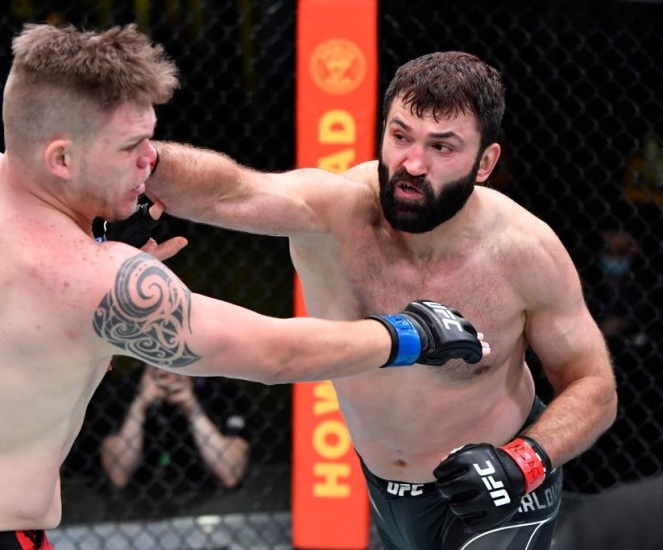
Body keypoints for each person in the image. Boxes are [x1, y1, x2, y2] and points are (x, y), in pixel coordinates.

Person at [0, 25, 488, 550]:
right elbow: (277, 354)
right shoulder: (99, 280)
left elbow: (28, 326)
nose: (153, 161)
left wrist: (95, 253)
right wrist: (411, 333)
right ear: (62, 158)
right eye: (133, 145)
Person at [144, 51, 618, 549]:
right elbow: (228, 192)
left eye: (442, 147)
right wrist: (136, 160)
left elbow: (595, 386)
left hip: (499, 493)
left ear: (485, 163)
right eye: (400, 136)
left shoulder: (525, 252)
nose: (412, 163)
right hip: (386, 492)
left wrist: (525, 459)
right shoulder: (334, 215)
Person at [99, 362, 250, 517]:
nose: (168, 374)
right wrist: (139, 406)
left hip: (210, 504)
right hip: (136, 507)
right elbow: (118, 475)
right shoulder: (126, 389)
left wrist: (193, 410)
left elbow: (230, 474)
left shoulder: (219, 391)